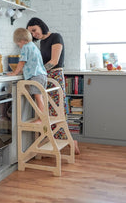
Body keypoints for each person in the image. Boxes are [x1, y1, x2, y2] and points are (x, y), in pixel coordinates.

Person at [27, 17, 80, 155]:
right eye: (31, 33)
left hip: (55, 76)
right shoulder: (42, 42)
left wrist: (39, 71)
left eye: (34, 30)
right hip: (46, 77)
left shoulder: (56, 37)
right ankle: (60, 142)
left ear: (40, 25)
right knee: (49, 112)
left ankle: (70, 141)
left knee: (57, 111)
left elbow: (54, 61)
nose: (33, 34)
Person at [7, 28, 47, 121]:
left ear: (21, 41)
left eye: (18, 44)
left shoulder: (25, 47)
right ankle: (43, 117)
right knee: (40, 97)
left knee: (38, 98)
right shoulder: (33, 45)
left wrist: (15, 73)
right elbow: (31, 62)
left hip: (36, 76)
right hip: (42, 75)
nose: (19, 46)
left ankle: (41, 119)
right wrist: (22, 71)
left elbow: (22, 62)